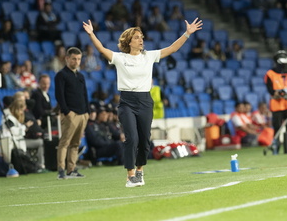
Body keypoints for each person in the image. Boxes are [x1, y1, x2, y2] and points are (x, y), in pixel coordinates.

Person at [83, 17, 203, 187]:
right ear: (129, 41)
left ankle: (140, 171)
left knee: (144, 140)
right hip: (127, 102)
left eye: (142, 37)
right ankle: (130, 175)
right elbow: (102, 49)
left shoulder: (149, 56)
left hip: (145, 101)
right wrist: (91, 34)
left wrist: (187, 34)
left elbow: (172, 48)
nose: (141, 40)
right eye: (137, 37)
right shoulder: (120, 58)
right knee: (131, 138)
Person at [55, 47, 90, 179]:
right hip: (70, 114)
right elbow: (59, 95)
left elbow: (85, 94)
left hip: (82, 114)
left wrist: (88, 112)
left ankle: (71, 169)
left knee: (75, 144)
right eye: (74, 58)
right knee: (64, 143)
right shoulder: (61, 75)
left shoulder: (80, 76)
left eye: (79, 59)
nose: (76, 61)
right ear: (67, 59)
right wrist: (66, 112)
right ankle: (61, 170)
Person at [264, 50, 287, 152]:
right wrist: (278, 93)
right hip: (277, 105)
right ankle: (276, 148)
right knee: (277, 127)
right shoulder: (270, 74)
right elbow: (270, 90)